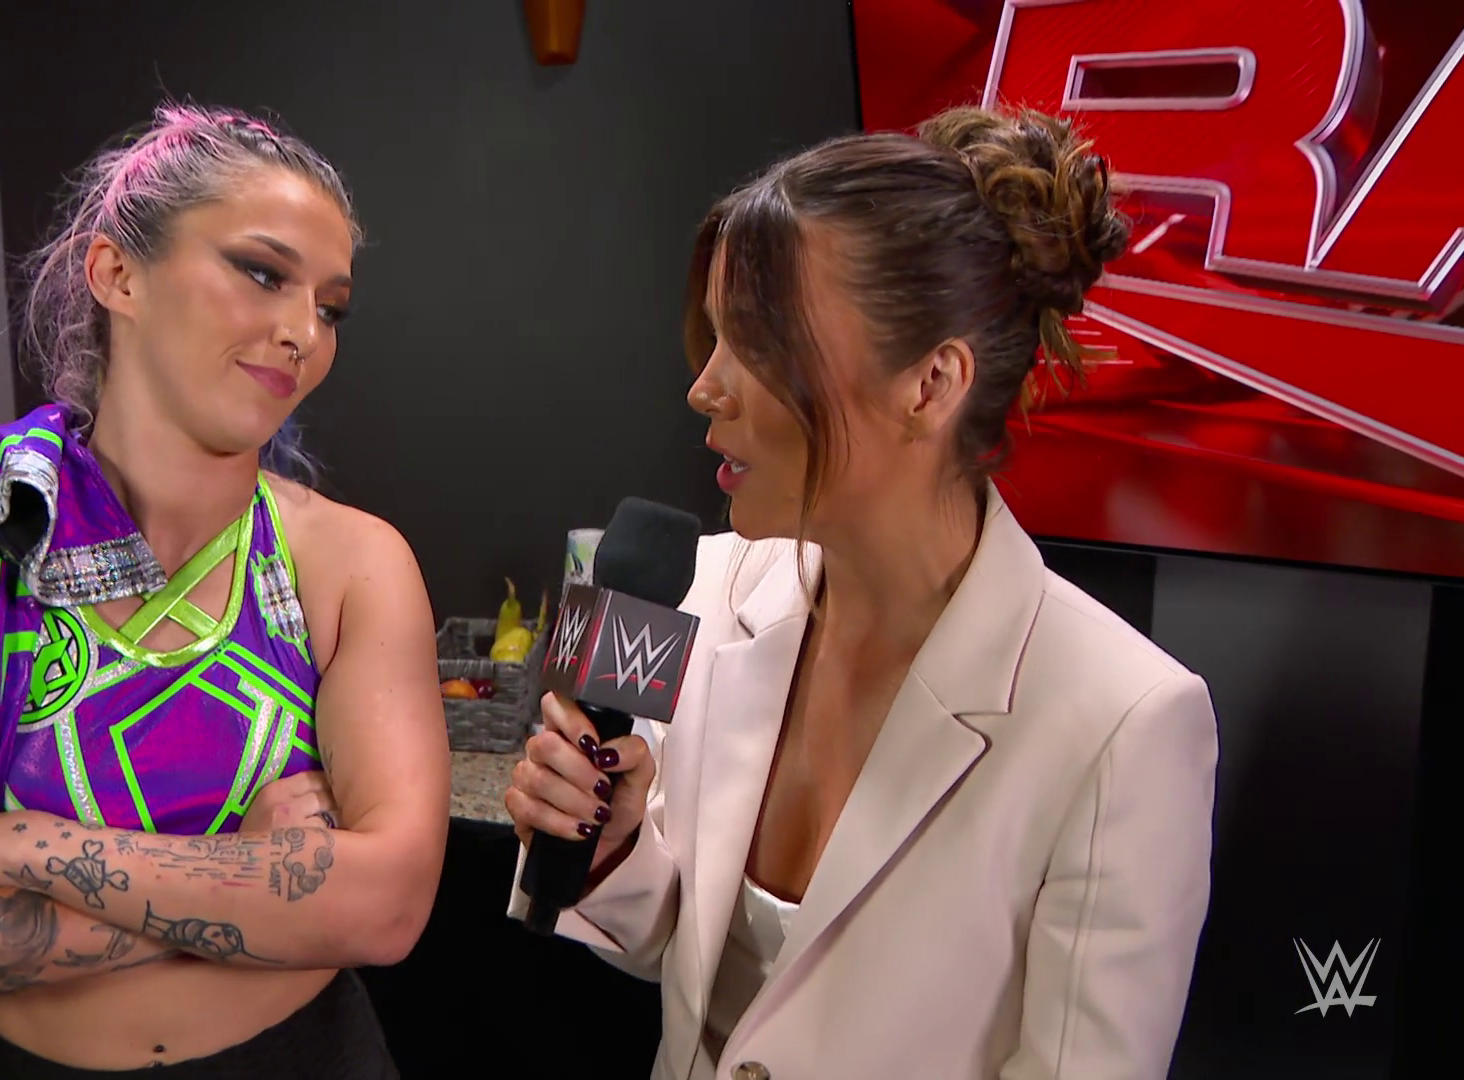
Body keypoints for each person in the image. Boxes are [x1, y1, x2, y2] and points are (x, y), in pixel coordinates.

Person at [504, 105, 1219, 1080]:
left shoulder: (1125, 725)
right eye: (714, 336)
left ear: (931, 385)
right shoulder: (709, 587)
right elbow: (698, 960)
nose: (705, 387)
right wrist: (616, 852)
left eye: (758, 342)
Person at [0, 102, 449, 1079]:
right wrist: (253, 889)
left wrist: (23, 847)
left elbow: (384, 908)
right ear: (117, 274)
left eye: (331, 307)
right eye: (262, 273)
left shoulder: (353, 565)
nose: (304, 331)